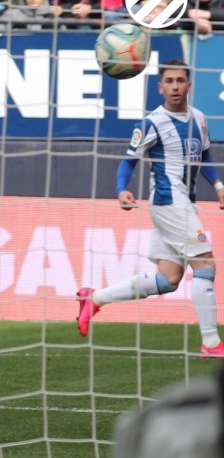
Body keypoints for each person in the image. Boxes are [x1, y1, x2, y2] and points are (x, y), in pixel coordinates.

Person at [77, 60, 224, 360]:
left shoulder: (199, 118)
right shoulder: (152, 123)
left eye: (180, 80)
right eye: (169, 81)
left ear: (189, 85)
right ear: (160, 87)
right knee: (206, 266)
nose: (174, 86)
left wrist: (219, 186)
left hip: (183, 203)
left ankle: (94, 298)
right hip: (169, 203)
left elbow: (205, 155)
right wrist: (121, 189)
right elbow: (128, 160)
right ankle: (210, 343)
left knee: (169, 280)